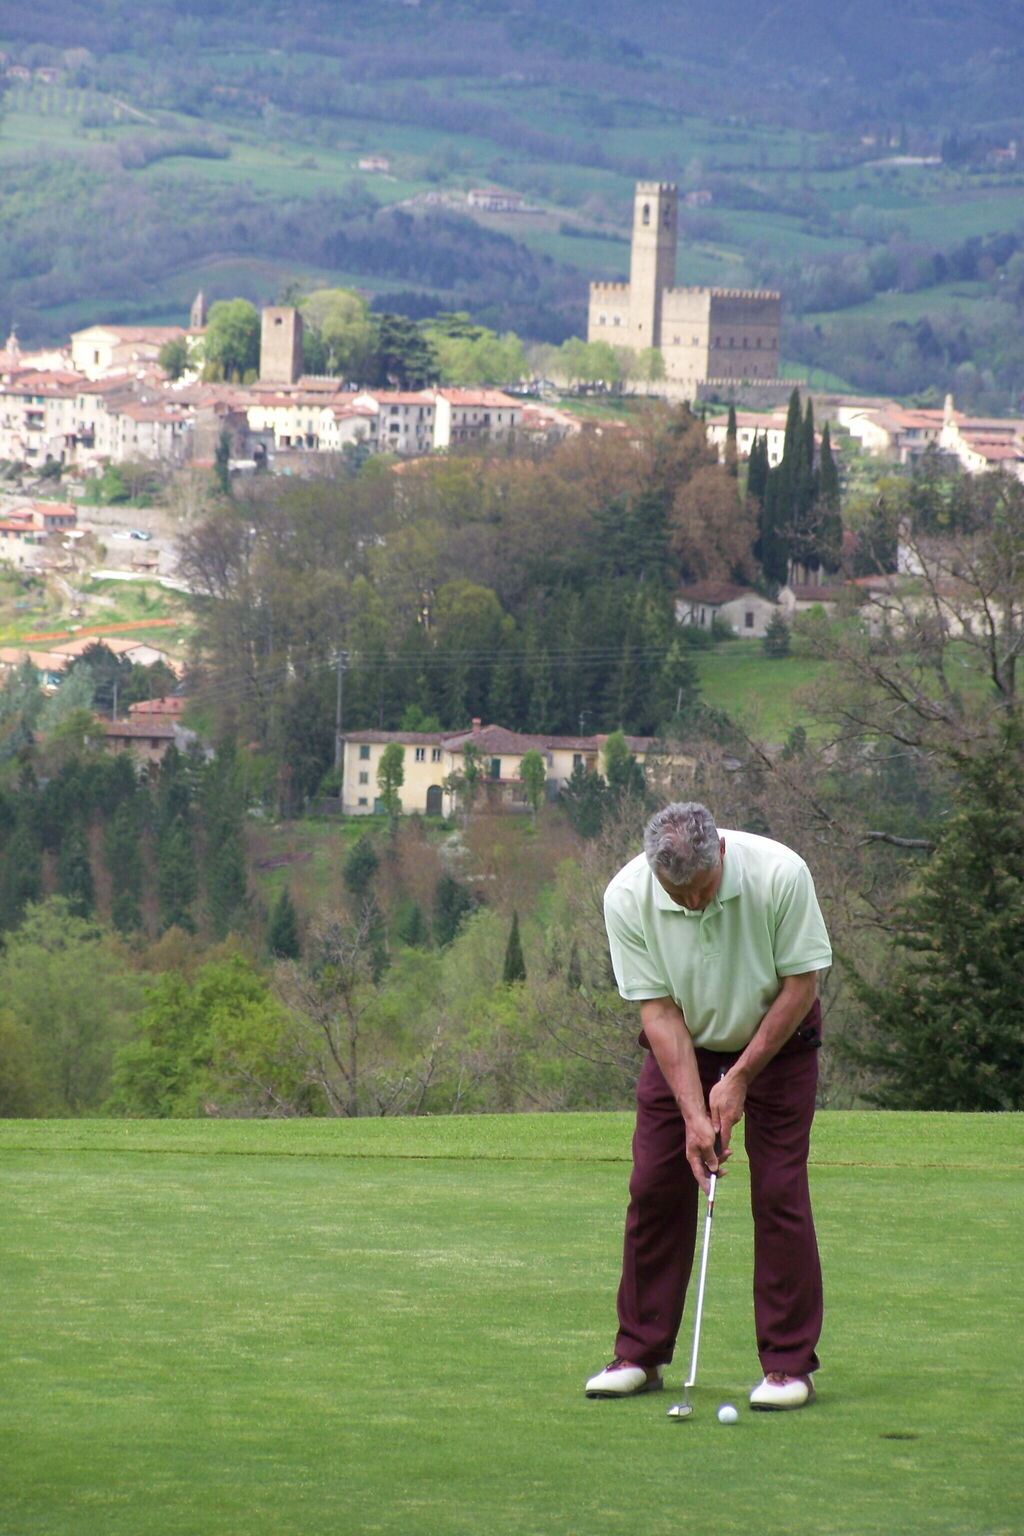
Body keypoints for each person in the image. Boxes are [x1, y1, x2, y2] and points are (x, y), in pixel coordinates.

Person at [585, 801, 832, 1411]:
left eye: (699, 889)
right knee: (654, 1187)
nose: (691, 904)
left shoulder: (780, 875)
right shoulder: (627, 895)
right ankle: (638, 1355)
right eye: (677, 893)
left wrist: (742, 1074)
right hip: (685, 1044)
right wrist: (696, 1114)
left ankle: (787, 1366)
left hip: (778, 1037)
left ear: (719, 853)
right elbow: (659, 1011)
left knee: (778, 1190)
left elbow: (802, 985)